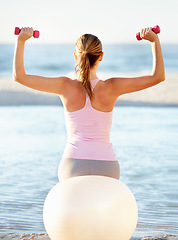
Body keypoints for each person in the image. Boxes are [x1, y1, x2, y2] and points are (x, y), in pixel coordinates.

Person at [13, 27, 165, 181]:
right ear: (101, 56)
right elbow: (158, 76)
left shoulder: (64, 86)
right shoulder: (112, 87)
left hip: (72, 165)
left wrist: (21, 40)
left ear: (75, 56)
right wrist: (154, 41)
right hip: (107, 166)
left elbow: (20, 77)